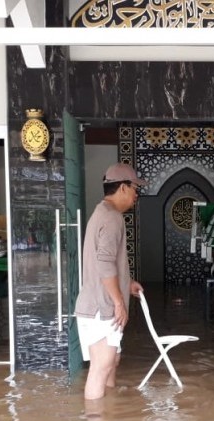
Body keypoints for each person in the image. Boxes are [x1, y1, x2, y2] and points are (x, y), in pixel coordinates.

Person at [74, 162, 146, 400]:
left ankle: (110, 414)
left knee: (112, 361)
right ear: (123, 188)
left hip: (96, 304)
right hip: (101, 308)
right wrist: (118, 302)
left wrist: (127, 283)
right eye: (136, 188)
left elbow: (104, 263)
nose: (137, 194)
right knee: (101, 368)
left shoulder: (102, 213)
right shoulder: (112, 218)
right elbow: (104, 264)